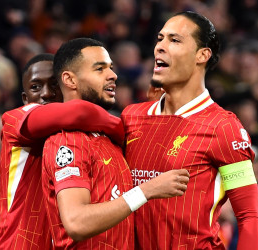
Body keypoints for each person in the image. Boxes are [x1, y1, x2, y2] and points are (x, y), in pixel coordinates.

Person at [121, 11, 258, 249]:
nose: (160, 47)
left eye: (174, 40)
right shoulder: (131, 116)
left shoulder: (224, 127)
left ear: (202, 55)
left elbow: (250, 217)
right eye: (159, 39)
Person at [41, 37, 190, 249]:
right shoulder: (67, 140)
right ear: (70, 80)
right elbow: (76, 222)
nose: (113, 75)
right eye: (99, 69)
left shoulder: (109, 138)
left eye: (111, 68)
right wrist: (146, 191)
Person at [0, 53, 127, 249]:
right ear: (24, 98)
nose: (46, 93)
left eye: (54, 84)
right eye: (35, 87)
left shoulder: (80, 136)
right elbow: (79, 112)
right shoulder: (15, 120)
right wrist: (121, 128)